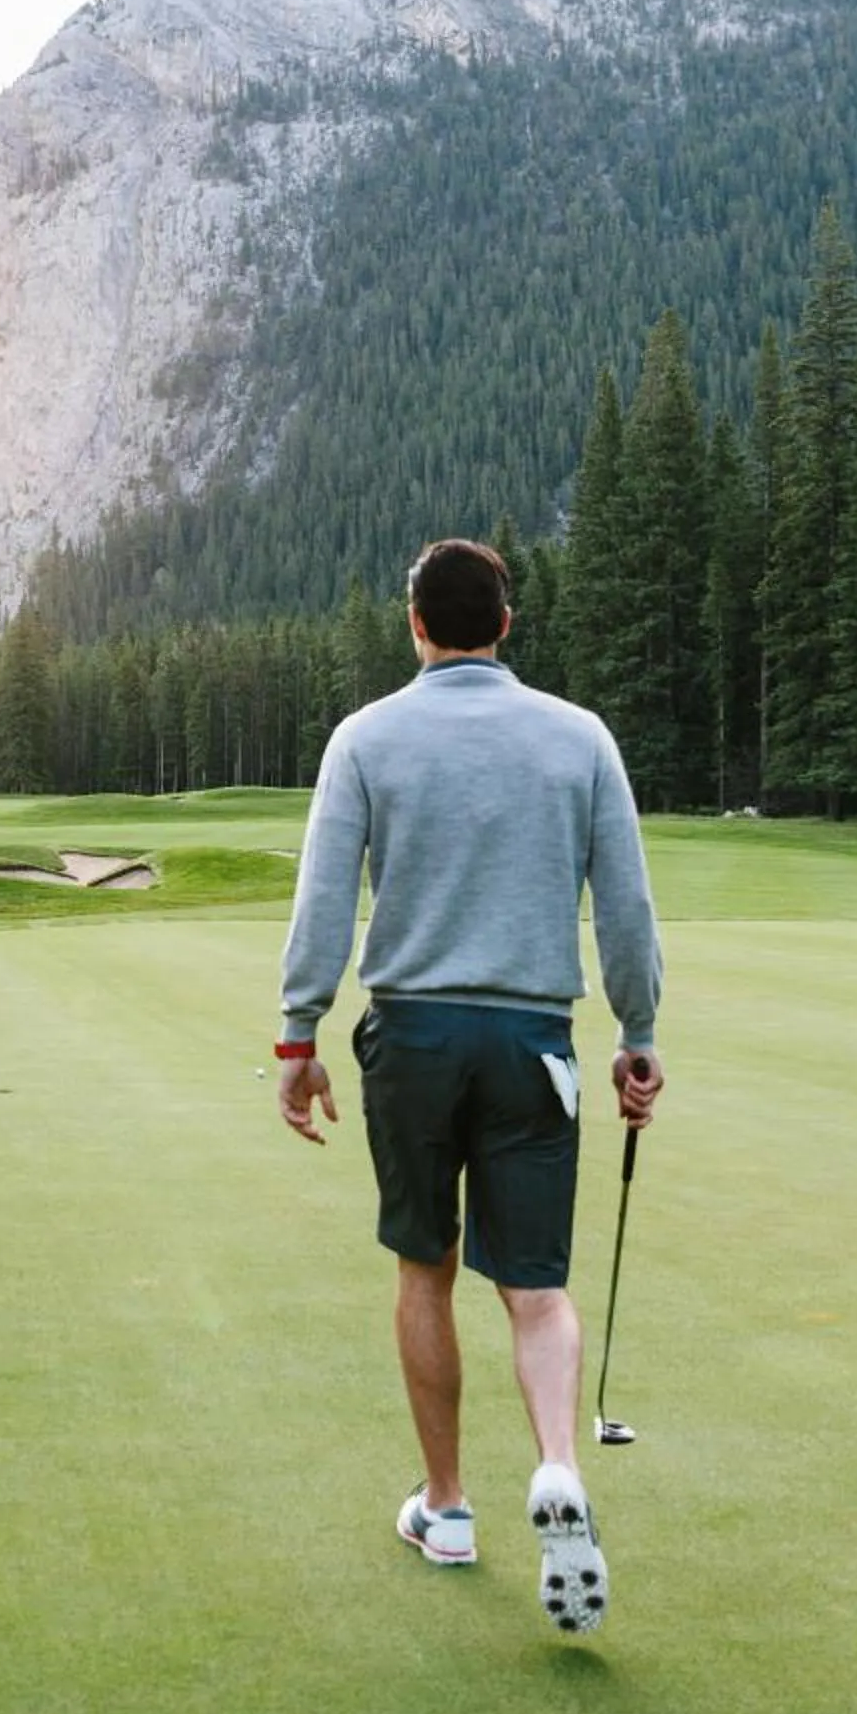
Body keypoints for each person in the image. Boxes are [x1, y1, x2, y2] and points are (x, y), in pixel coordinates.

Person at [274, 538, 664, 1637]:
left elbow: (324, 900)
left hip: (413, 1039)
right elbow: (625, 907)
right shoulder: (580, 737)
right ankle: (556, 1464)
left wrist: (297, 1032)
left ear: (415, 623)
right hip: (535, 1037)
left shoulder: (365, 737)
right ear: (506, 621)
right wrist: (637, 1028)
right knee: (535, 1287)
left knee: (425, 1266)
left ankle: (446, 1507)